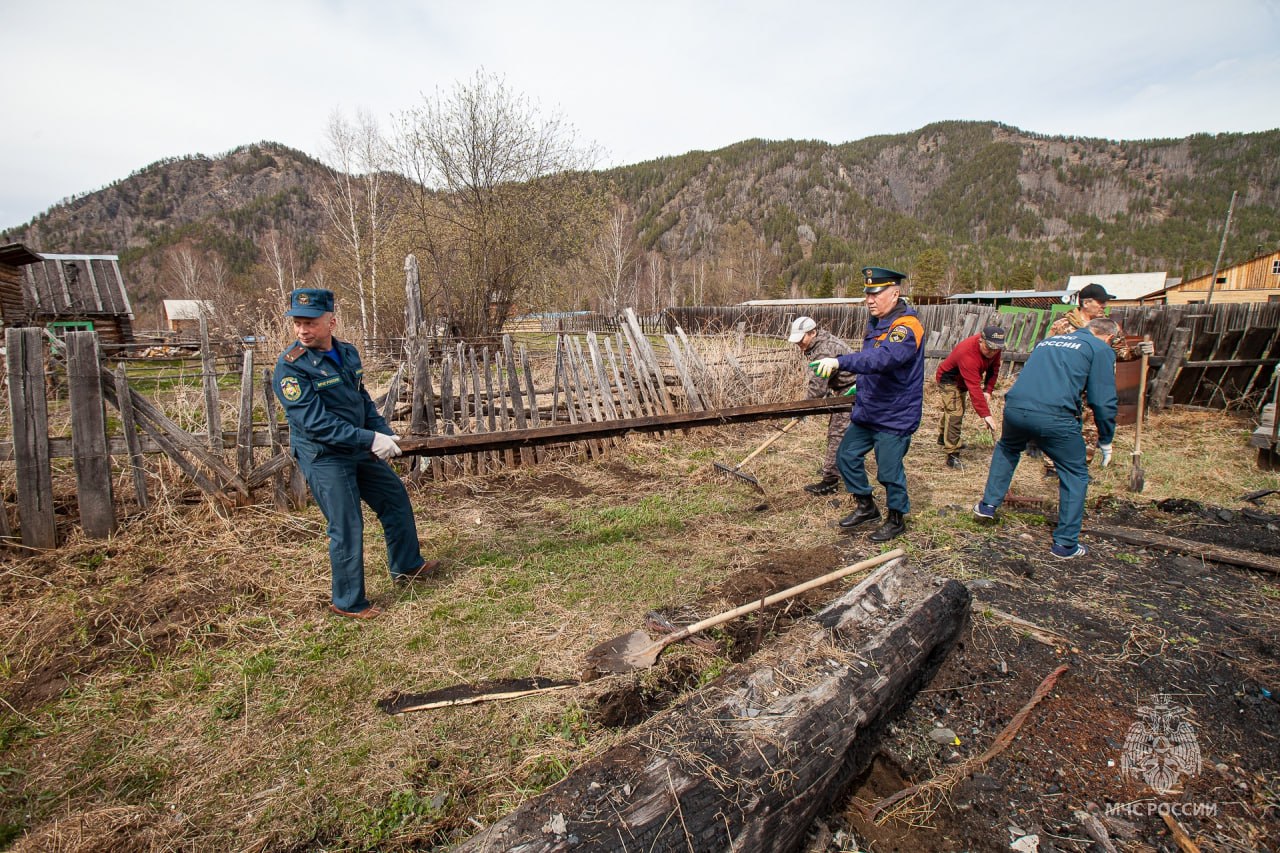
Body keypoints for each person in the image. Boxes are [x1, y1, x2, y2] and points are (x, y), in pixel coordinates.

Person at [273, 288, 438, 620]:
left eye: (310, 323)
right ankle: (348, 601)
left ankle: (407, 566)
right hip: (324, 455)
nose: (302, 330)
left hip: (357, 445)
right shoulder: (291, 368)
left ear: (331, 322)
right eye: (298, 323)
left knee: (394, 498)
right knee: (347, 524)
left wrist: (383, 431)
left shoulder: (347, 354)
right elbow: (316, 424)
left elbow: (361, 400)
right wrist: (369, 439)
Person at [972, 317, 1121, 559]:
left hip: (1016, 407)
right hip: (1055, 415)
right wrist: (1106, 438)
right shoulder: (1100, 348)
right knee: (1075, 473)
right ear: (1110, 337)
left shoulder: (1048, 342)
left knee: (1008, 447)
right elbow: (1102, 399)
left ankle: (988, 505)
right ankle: (1065, 544)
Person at [811, 266, 926, 542]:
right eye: (867, 294)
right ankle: (866, 507)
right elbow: (873, 363)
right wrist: (859, 385)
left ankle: (896, 518)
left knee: (888, 470)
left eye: (876, 294)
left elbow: (883, 360)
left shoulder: (906, 327)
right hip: (869, 409)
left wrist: (840, 361)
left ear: (895, 293)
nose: (869, 300)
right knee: (846, 456)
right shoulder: (877, 322)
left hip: (894, 414)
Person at [1043, 283, 1153, 471]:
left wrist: (1137, 351)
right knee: (1060, 425)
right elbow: (1048, 354)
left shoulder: (1109, 327)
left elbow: (1120, 352)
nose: (1104, 306)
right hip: (1068, 387)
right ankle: (1053, 467)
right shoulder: (1062, 326)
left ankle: (1080, 468)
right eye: (1101, 302)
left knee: (1091, 430)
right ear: (1086, 303)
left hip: (1095, 387)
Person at [788, 315, 856, 495]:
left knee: (837, 433)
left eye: (801, 339)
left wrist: (803, 409)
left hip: (854, 392)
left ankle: (830, 481)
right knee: (839, 432)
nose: (799, 344)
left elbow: (817, 387)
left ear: (812, 333)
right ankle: (835, 468)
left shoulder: (823, 350)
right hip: (842, 390)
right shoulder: (818, 344)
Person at [936, 324, 1005, 469]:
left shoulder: (994, 348)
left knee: (953, 409)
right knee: (955, 412)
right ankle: (952, 454)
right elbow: (973, 386)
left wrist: (988, 390)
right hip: (948, 379)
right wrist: (985, 414)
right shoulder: (968, 353)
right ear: (981, 340)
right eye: (989, 348)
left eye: (996, 349)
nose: (992, 352)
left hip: (962, 381)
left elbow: (994, 369)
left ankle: (943, 437)